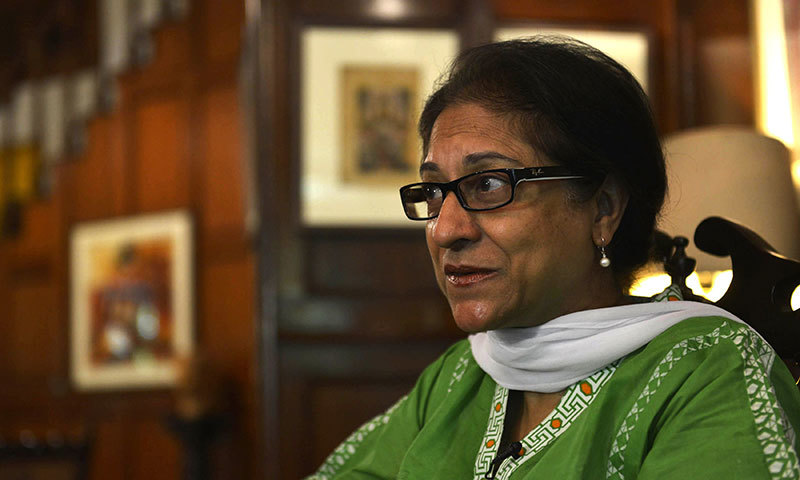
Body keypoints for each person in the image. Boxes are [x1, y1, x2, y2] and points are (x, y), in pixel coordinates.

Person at [307, 37, 800, 479]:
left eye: (489, 184)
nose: (446, 229)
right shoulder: (462, 375)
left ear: (603, 208)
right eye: (435, 191)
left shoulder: (706, 369)